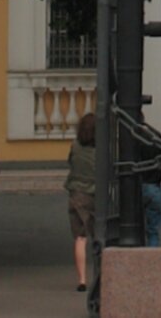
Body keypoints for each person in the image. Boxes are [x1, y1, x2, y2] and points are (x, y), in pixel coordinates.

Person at [64, 110, 96, 293]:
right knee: (99, 237)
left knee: (80, 238)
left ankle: (82, 279)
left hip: (77, 194)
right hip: (97, 194)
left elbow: (71, 163)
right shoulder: (103, 149)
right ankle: (102, 273)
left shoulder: (75, 146)